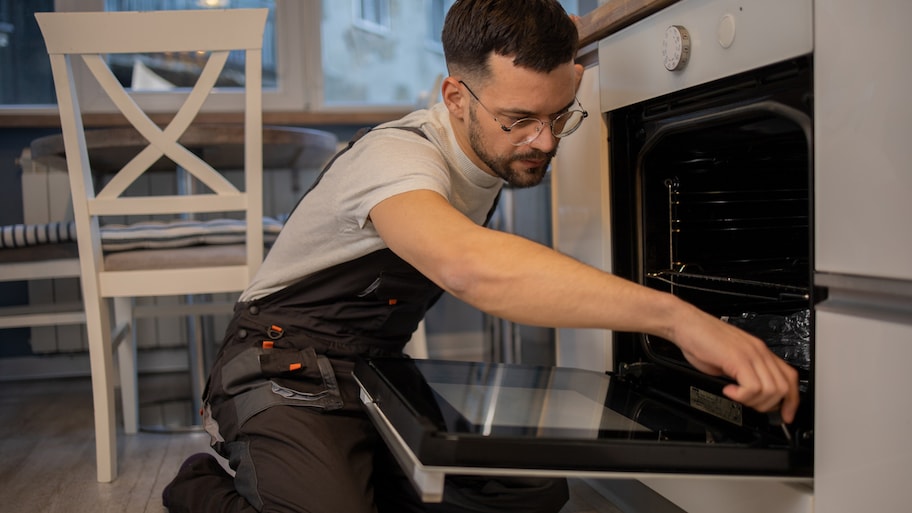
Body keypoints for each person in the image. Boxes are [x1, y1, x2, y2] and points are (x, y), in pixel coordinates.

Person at [162, 0, 800, 511]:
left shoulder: (508, 100)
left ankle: (343, 475)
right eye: (519, 120)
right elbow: (467, 264)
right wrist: (681, 318)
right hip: (279, 364)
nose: (543, 141)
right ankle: (202, 484)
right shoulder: (397, 158)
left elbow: (556, 30)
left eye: (560, 116)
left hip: (374, 371)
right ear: (455, 96)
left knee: (533, 491)